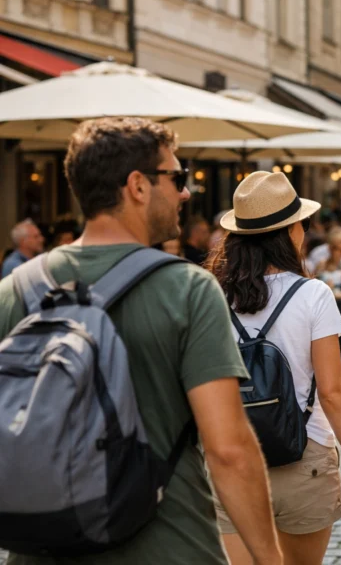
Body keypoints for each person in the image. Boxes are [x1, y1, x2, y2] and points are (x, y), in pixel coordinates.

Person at [0, 117, 283, 564]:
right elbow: (228, 449)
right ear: (137, 185)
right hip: (167, 546)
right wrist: (269, 558)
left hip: (38, 545)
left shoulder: (13, 290)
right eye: (177, 178)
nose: (186, 192)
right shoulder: (188, 290)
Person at [206, 171, 341, 565]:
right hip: (305, 456)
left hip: (232, 459)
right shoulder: (313, 294)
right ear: (291, 232)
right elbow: (333, 393)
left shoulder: (210, 294)